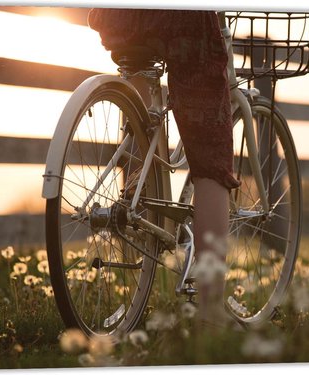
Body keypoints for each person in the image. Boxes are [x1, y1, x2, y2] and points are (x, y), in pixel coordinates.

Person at [88, 8, 239, 327]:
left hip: (118, 14)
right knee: (211, 157)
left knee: (139, 105)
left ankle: (136, 208)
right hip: (182, 17)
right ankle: (211, 312)